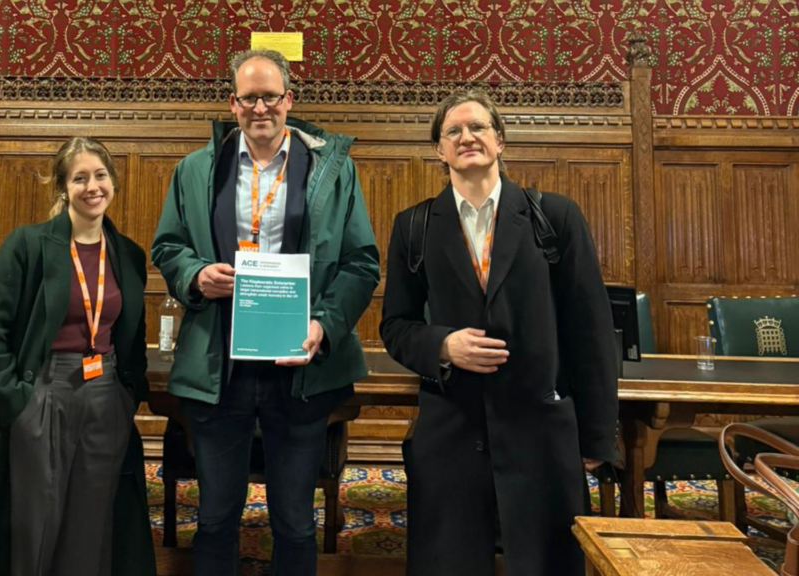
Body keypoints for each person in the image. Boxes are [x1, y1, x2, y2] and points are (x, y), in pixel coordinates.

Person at [151, 49, 380, 576]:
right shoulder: (195, 169)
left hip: (299, 366)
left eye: (270, 96)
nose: (260, 106)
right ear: (232, 104)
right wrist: (194, 275)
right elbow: (168, 246)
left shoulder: (331, 170)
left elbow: (362, 262)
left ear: (288, 100)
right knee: (214, 518)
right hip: (220, 367)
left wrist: (324, 323)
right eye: (249, 97)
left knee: (296, 523)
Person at [379, 89, 618, 576]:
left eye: (478, 127)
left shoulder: (554, 217)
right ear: (438, 150)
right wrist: (442, 344)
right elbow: (396, 325)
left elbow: (590, 334)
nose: (467, 137)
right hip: (452, 430)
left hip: (539, 429)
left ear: (500, 141)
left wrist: (595, 439)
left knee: (547, 563)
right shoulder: (414, 227)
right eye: (453, 131)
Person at [0, 136, 156, 576]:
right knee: (35, 518)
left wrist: (129, 391)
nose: (93, 187)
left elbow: (132, 331)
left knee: (93, 519)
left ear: (114, 182)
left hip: (105, 396)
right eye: (80, 178)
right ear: (63, 187)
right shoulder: (27, 245)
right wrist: (15, 401)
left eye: (101, 175)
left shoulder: (127, 253)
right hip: (43, 392)